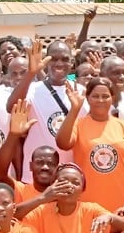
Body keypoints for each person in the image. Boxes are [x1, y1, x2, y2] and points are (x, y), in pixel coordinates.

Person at [56, 77, 124, 212]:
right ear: (88, 98)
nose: (100, 100)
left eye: (105, 96)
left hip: (120, 203)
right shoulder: (79, 124)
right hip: (86, 204)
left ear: (113, 98)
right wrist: (75, 109)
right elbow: (63, 143)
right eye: (95, 96)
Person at [6, 41, 83, 179]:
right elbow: (11, 107)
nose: (59, 63)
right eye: (54, 59)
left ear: (72, 63)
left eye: (65, 59)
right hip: (36, 174)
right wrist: (31, 73)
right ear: (46, 61)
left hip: (70, 174)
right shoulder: (33, 89)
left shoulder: (81, 92)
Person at [0, 99, 61, 203]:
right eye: (39, 162)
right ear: (30, 166)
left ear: (57, 168)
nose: (45, 167)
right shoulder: (21, 190)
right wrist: (13, 135)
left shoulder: (63, 196)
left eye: (51, 164)